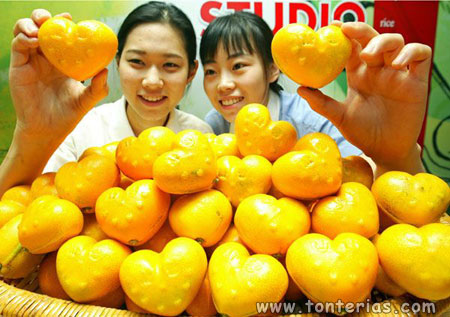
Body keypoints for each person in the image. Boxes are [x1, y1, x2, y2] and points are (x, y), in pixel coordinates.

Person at [0, 1, 213, 196]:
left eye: (170, 65)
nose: (152, 81)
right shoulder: (82, 127)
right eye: (137, 61)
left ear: (191, 72)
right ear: (118, 62)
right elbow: (19, 209)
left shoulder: (200, 136)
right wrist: (32, 133)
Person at [200, 11, 429, 177]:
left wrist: (395, 157)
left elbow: (367, 179)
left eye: (238, 66)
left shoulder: (311, 118)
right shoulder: (215, 125)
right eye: (211, 70)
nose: (223, 84)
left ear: (272, 70)